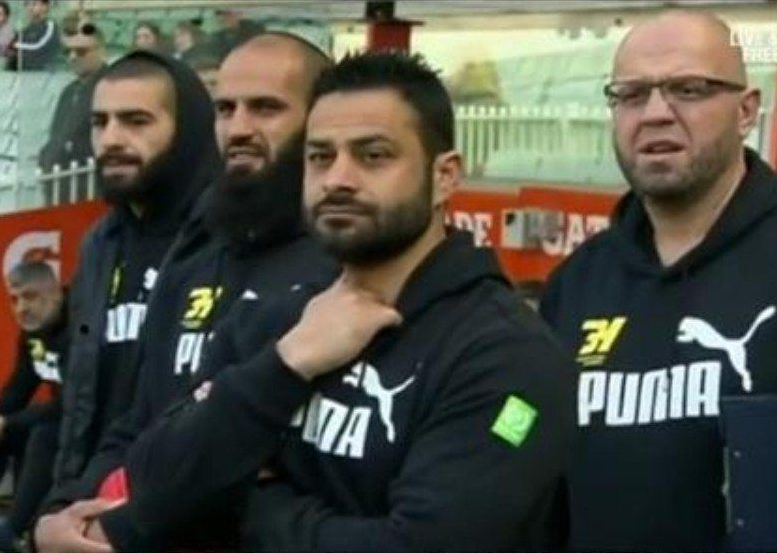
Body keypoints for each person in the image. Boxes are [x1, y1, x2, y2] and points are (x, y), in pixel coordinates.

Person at [69, 51, 576, 552]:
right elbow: (151, 479)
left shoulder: (504, 353)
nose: (337, 179)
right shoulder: (276, 320)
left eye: (373, 156)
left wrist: (243, 502)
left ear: (444, 176)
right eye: (320, 157)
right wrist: (285, 365)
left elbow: (422, 544)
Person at [35, 33, 336, 553]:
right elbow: (133, 420)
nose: (239, 128)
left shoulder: (341, 269)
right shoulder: (186, 256)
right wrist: (59, 515)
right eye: (226, 108)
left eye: (266, 108)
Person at [539, 10, 777, 552]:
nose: (654, 114)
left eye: (688, 90)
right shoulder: (577, 283)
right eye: (631, 95)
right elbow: (528, 446)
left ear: (746, 111)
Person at [46, 50, 220, 522]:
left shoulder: (224, 240)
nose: (111, 139)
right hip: (90, 503)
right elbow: (81, 398)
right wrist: (64, 498)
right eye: (99, 122)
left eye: (136, 121)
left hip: (177, 512)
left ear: (187, 130)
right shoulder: (99, 244)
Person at [0, 261, 67, 552]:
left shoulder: (82, 324)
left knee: (43, 433)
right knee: (7, 429)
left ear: (55, 292)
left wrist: (9, 421)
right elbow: (18, 390)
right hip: (60, 418)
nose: (21, 308)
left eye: (29, 296)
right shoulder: (33, 332)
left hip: (92, 421)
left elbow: (73, 402)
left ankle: (12, 533)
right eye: (14, 299)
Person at [38, 21, 107, 204]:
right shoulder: (68, 91)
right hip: (60, 190)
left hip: (93, 193)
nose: (72, 57)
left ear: (101, 51)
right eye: (67, 52)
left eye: (81, 51)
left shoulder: (112, 88)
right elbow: (57, 136)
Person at [10, 0, 60, 71]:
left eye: (34, 4)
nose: (30, 8)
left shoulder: (50, 26)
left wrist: (16, 47)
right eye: (27, 4)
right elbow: (11, 47)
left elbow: (39, 47)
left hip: (43, 72)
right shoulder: (26, 29)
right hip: (24, 72)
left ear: (45, 7)